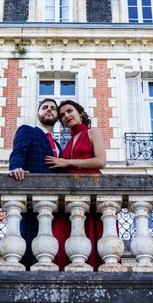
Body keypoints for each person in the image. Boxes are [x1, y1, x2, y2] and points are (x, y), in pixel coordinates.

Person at [45, 100, 106, 270]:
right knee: (65, 237)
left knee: (92, 236)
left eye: (69, 111)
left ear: (80, 114)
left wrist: (67, 162)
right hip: (69, 195)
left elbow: (101, 161)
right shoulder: (67, 143)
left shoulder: (93, 132)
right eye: (62, 115)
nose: (66, 116)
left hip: (91, 188)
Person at [9, 98, 63, 267]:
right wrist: (16, 167)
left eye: (53, 108)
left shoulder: (58, 145)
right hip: (32, 202)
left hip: (53, 205)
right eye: (45, 107)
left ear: (57, 116)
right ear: (38, 114)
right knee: (26, 249)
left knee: (48, 252)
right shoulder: (28, 131)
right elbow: (19, 151)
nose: (49, 110)